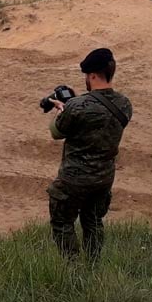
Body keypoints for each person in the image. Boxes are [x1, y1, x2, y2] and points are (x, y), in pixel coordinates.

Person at [45, 48, 132, 261]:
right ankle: (93, 265)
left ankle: (72, 269)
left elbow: (56, 132)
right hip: (103, 177)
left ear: (92, 75)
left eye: (86, 75)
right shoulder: (125, 104)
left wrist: (61, 110)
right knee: (93, 221)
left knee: (63, 222)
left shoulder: (77, 106)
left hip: (74, 178)